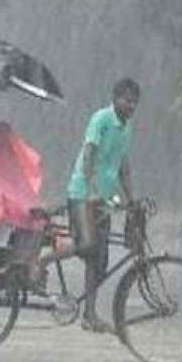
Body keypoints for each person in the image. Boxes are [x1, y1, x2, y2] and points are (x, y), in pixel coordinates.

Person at [66, 78, 139, 332]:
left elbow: (123, 166)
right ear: (115, 98)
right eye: (127, 100)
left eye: (134, 102)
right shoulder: (101, 119)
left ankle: (89, 314)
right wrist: (92, 189)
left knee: (99, 261)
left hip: (105, 201)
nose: (131, 106)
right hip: (83, 194)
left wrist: (131, 200)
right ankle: (44, 261)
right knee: (88, 247)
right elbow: (89, 155)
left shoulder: (127, 127)